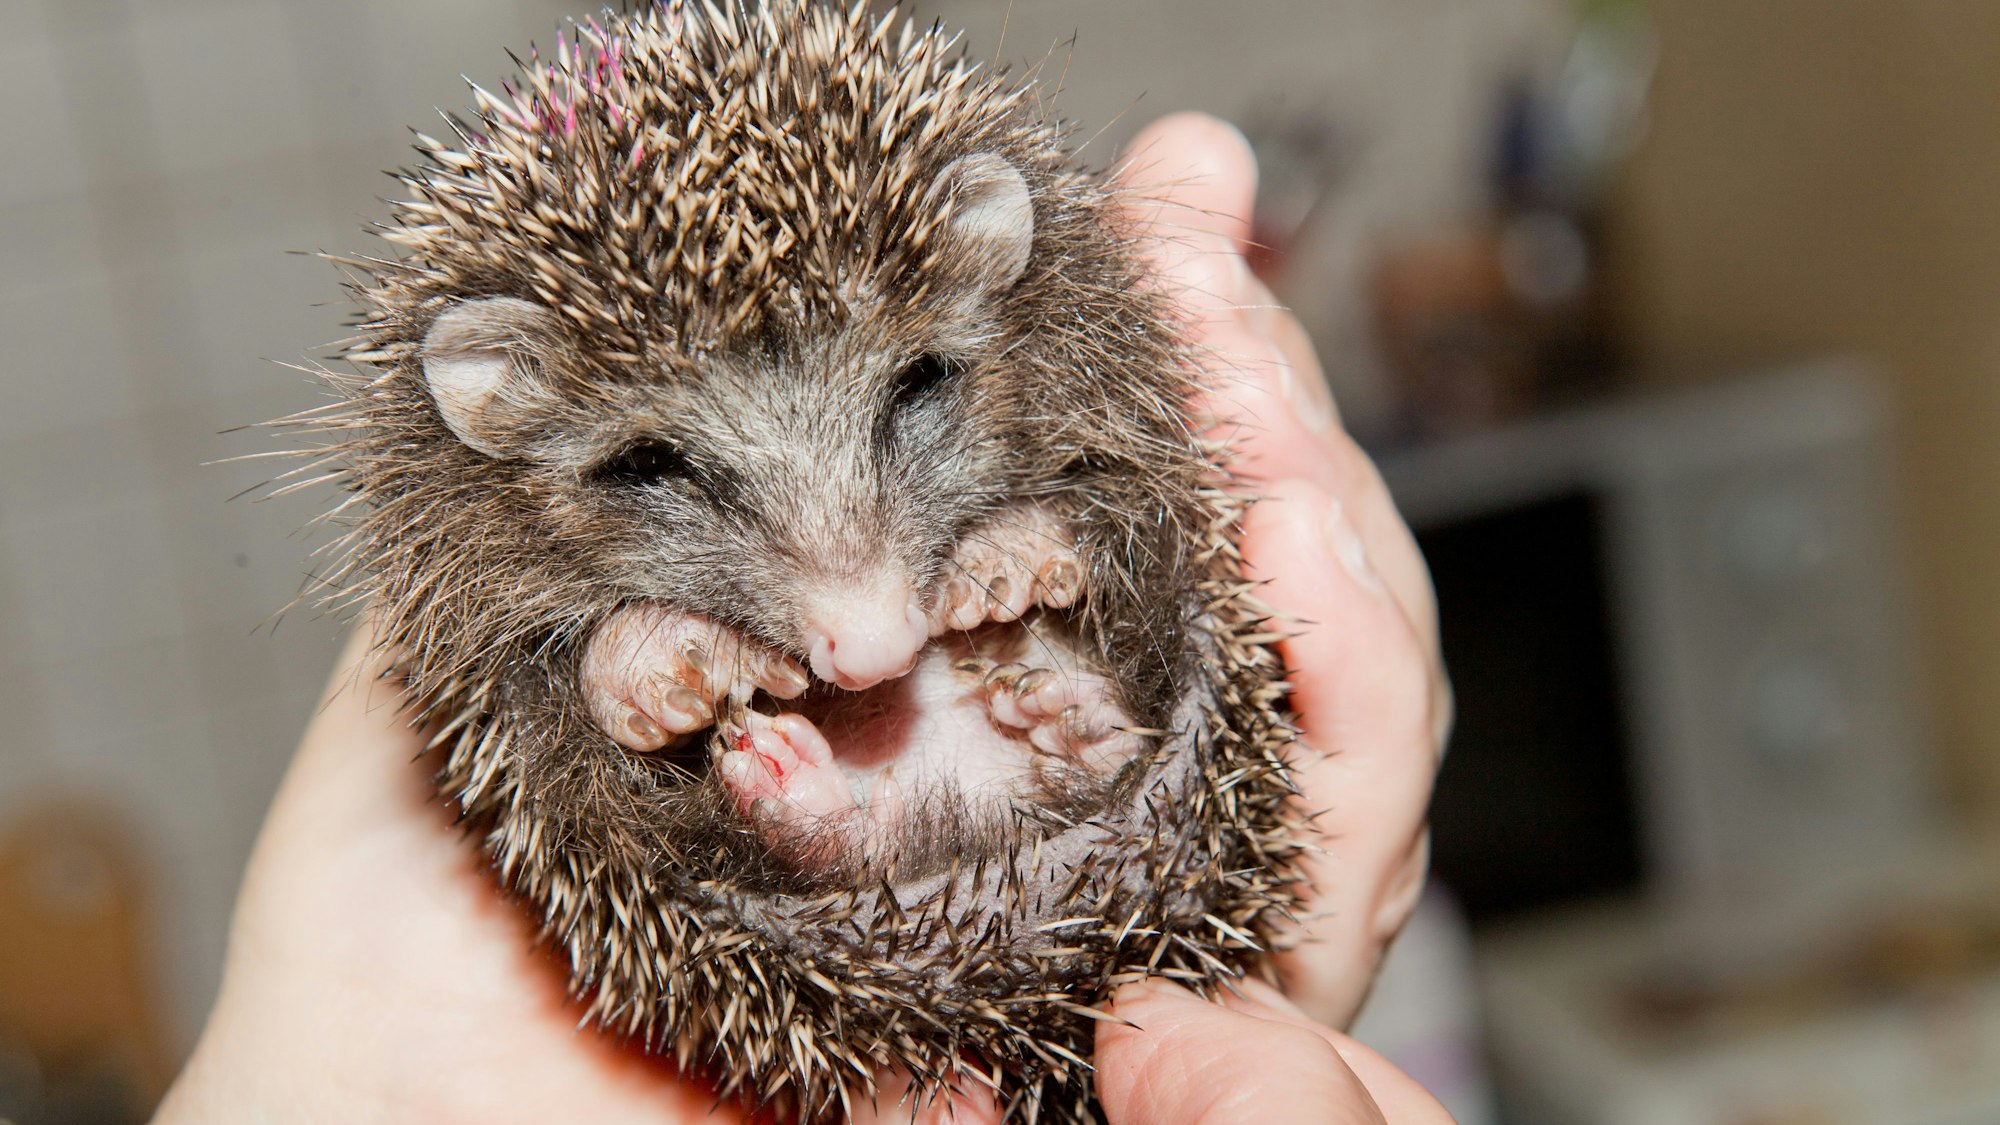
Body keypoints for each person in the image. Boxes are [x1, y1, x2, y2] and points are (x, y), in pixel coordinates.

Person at [153, 113, 1453, 1125]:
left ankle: (1067, 742)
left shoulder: (1056, 346)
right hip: (812, 883)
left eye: (917, 389)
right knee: (604, 723)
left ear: (986, 252)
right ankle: (871, 806)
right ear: (507, 406)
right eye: (667, 468)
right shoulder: (502, 570)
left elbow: (1139, 520)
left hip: (1048, 785)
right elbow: (562, 742)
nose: (866, 634)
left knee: (1123, 556)